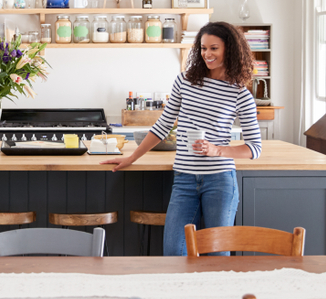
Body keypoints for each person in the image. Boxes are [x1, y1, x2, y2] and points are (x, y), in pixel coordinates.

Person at [100, 21, 262, 255]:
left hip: (220, 181)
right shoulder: (185, 81)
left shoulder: (239, 94)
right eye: (203, 48)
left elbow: (254, 148)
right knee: (174, 253)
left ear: (230, 49)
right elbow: (163, 125)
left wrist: (217, 150)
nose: (207, 54)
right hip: (184, 179)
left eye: (214, 48)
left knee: (218, 254)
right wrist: (132, 157)